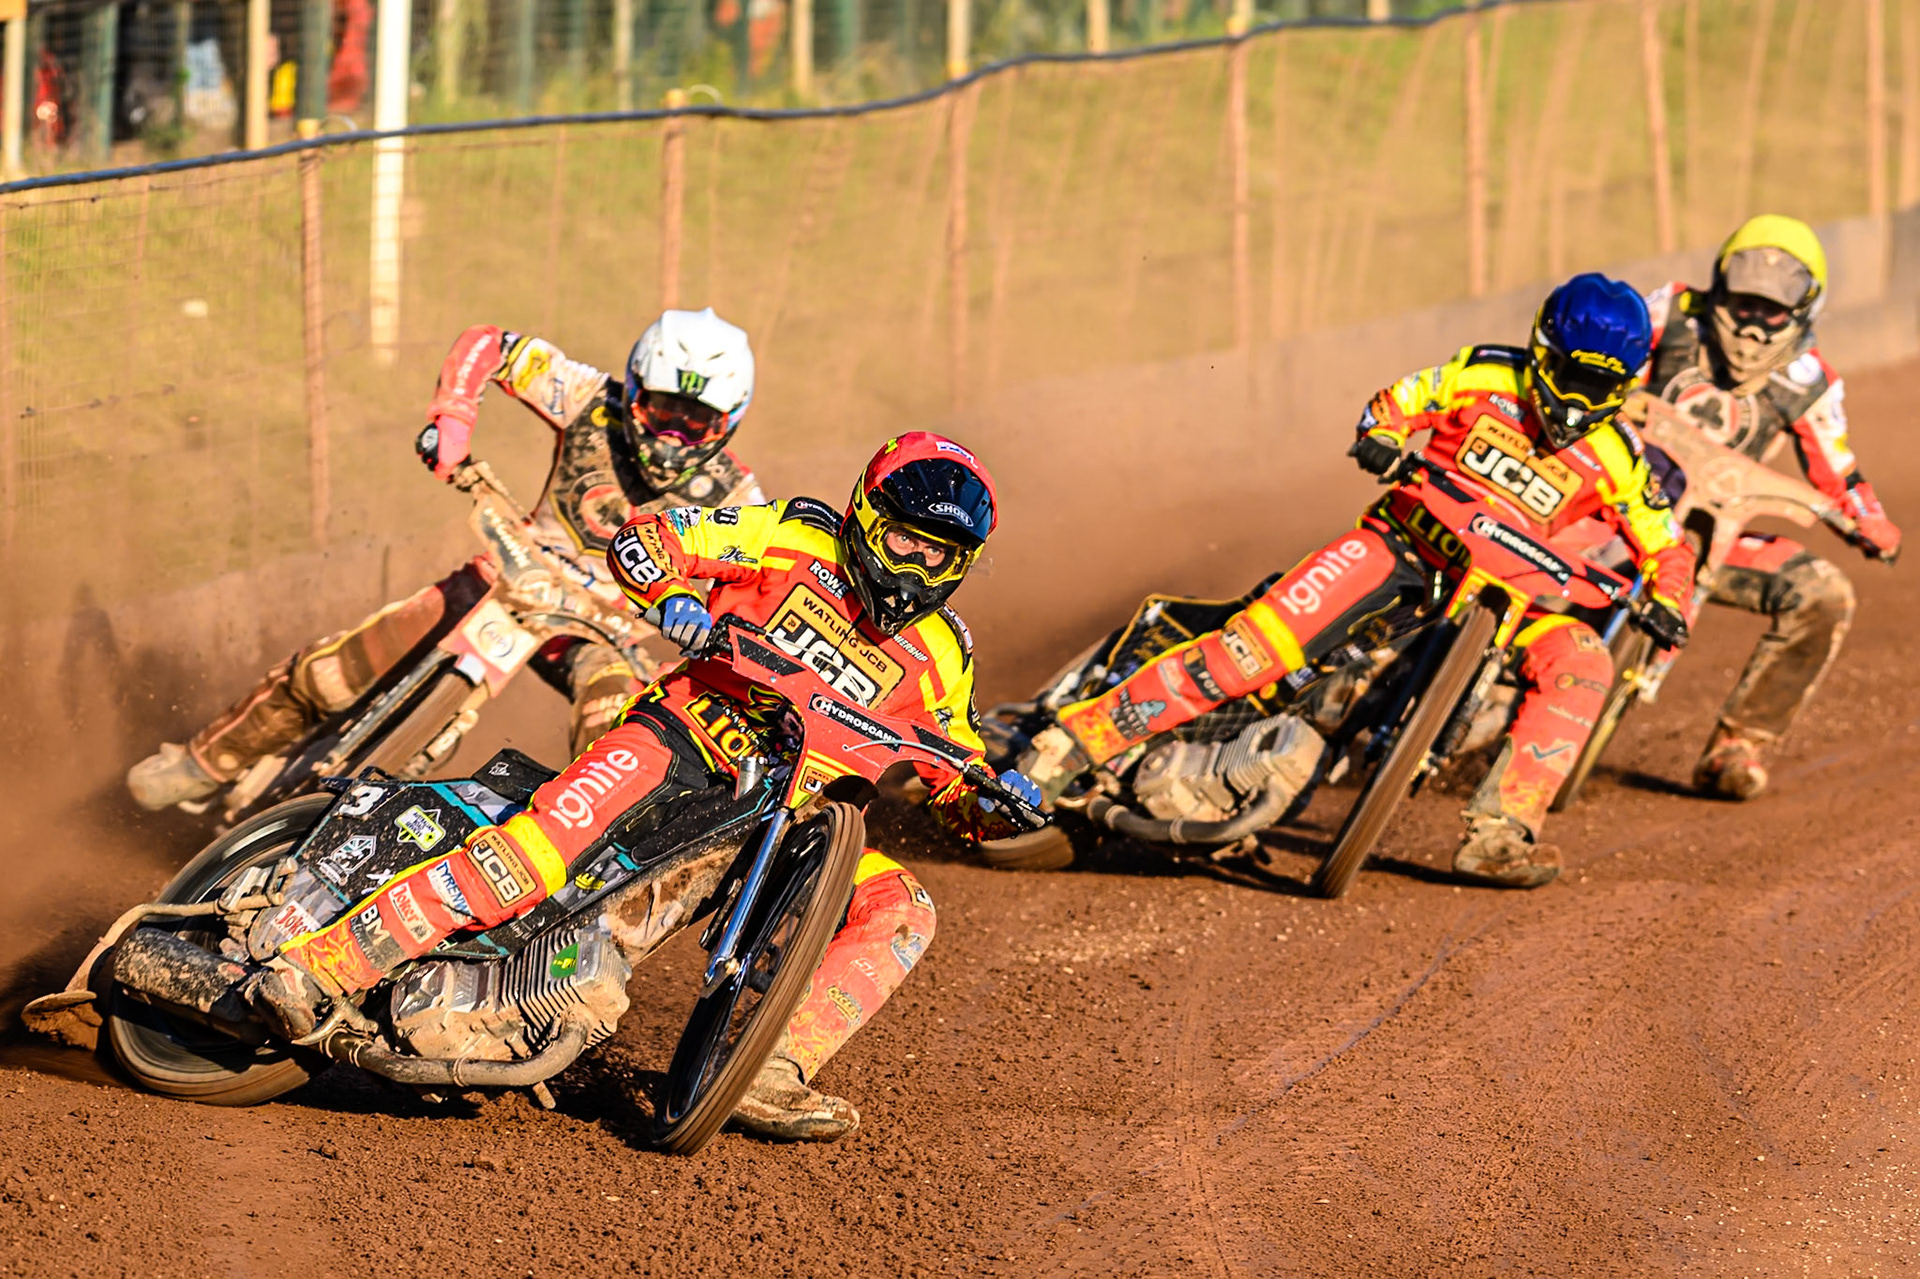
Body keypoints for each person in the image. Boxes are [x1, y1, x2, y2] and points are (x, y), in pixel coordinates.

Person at [251, 432, 1042, 1141]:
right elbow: (648, 540)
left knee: (903, 906)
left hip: (789, 833)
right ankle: (325, 963)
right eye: (904, 538)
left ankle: (769, 1066)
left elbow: (956, 773)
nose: (914, 565)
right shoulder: (796, 534)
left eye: (938, 554)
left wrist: (1000, 804)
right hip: (682, 742)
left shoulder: (944, 653)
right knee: (536, 855)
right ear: (867, 515)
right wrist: (677, 602)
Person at [1033, 273, 1692, 889]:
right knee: (1254, 648)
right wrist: (1380, 432)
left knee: (1585, 659)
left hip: (1508, 604)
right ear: (1542, 352)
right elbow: (1403, 399)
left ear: (1628, 383)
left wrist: (1670, 599)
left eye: (1598, 386)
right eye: (1570, 375)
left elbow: (1667, 544)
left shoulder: (1618, 457)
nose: (1577, 400)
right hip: (1402, 547)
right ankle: (1072, 741)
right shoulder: (1484, 372)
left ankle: (1499, 833)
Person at [128, 308, 766, 811]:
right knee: (345, 666)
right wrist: (453, 418)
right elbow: (491, 344)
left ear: (729, 423)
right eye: (661, 411)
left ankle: (578, 889)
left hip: (608, 629)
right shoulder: (589, 397)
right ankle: (205, 761)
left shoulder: (737, 497)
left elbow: (764, 584)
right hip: (516, 570)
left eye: (696, 423)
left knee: (613, 733)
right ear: (634, 389)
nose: (670, 436)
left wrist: (714, 630)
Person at [1639, 215, 1902, 799]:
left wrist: (1868, 518)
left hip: (1708, 539)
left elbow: (1838, 469)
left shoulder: (1810, 381)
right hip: (1605, 505)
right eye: (1744, 302)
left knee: (1822, 593)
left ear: (1805, 309)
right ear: (1719, 287)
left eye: (1773, 309)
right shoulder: (1672, 312)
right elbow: (1603, 355)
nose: (1753, 322)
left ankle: (1740, 744)